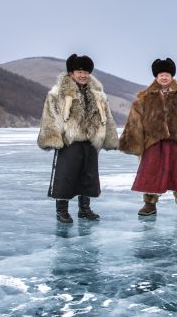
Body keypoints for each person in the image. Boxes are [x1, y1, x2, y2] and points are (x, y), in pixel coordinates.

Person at [119, 57, 177, 216]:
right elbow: (135, 118)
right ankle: (149, 204)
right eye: (161, 74)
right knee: (151, 172)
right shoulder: (145, 97)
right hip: (153, 141)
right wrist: (132, 140)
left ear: (172, 76)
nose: (164, 77)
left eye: (167, 74)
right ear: (156, 77)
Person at [38, 54, 119, 223]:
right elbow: (50, 116)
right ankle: (62, 211)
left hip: (90, 142)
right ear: (71, 73)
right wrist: (52, 138)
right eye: (79, 71)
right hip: (70, 141)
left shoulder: (98, 94)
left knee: (87, 177)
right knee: (66, 176)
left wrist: (110, 137)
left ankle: (84, 209)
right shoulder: (58, 94)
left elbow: (107, 117)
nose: (83, 75)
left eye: (86, 72)